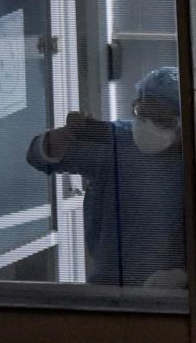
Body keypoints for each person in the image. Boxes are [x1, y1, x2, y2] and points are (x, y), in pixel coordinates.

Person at [26, 67, 186, 288]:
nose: (148, 125)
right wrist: (60, 138)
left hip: (177, 297)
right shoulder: (117, 141)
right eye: (141, 113)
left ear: (185, 124)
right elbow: (37, 156)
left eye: (162, 120)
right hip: (109, 286)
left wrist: (184, 276)